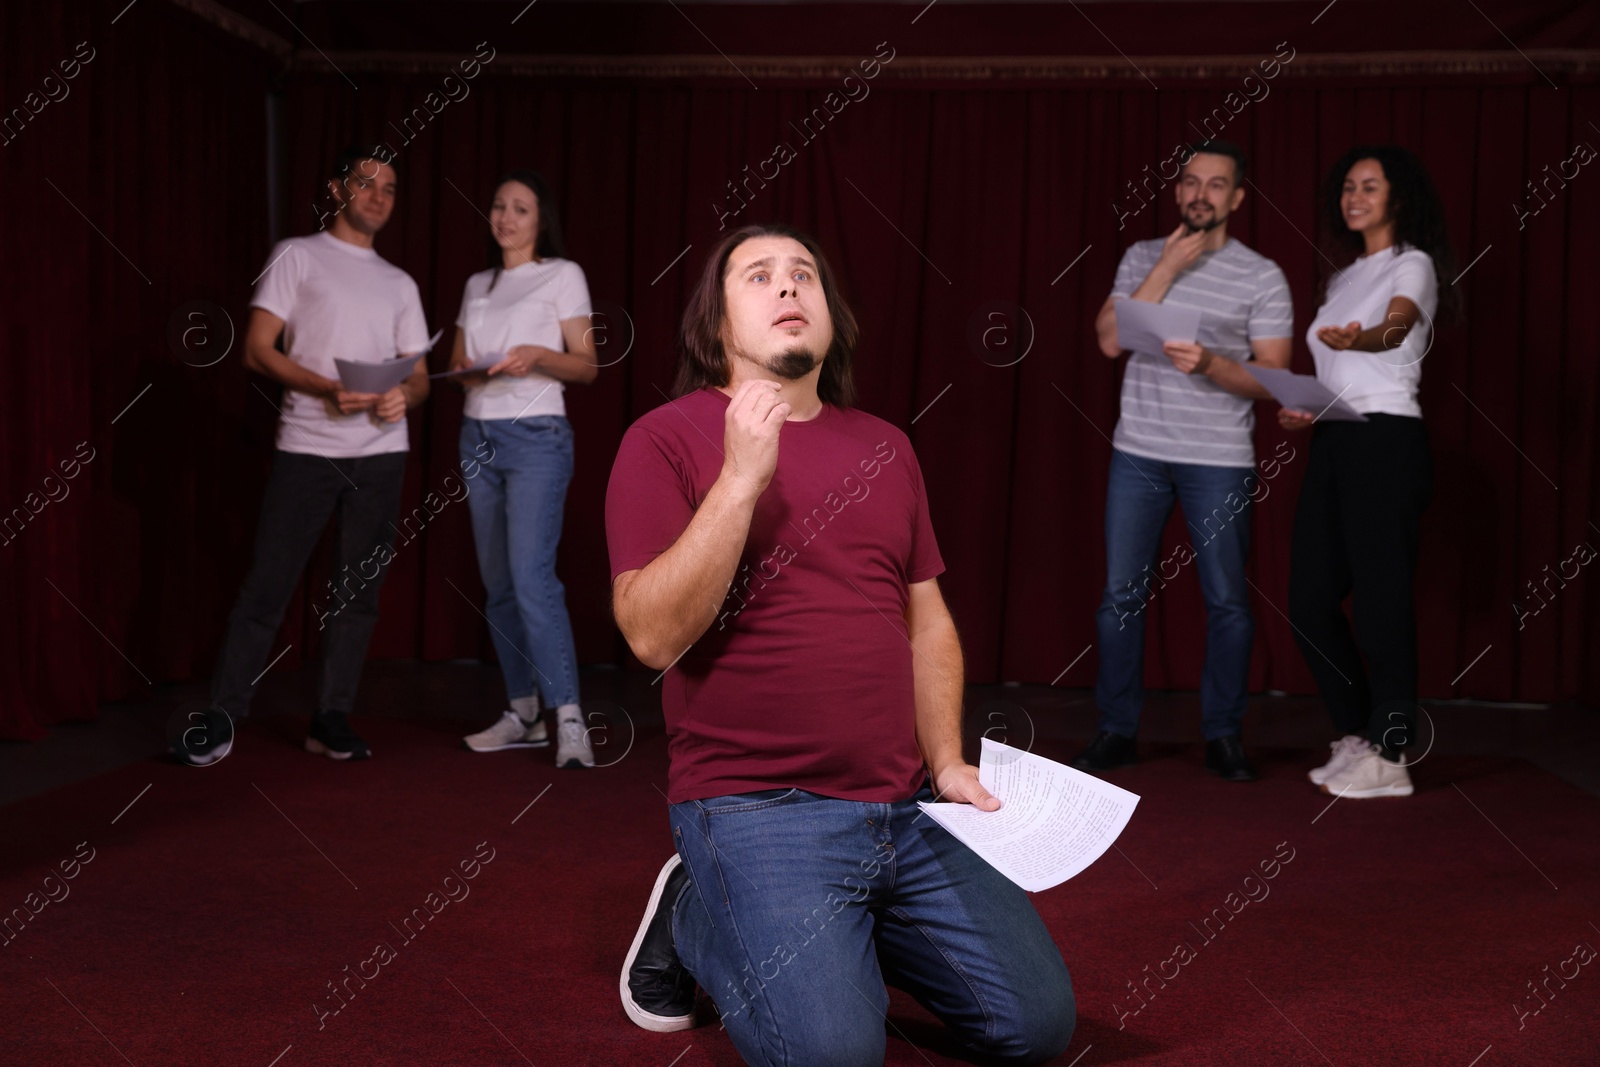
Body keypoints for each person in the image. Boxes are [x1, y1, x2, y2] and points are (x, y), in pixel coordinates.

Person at [608, 224, 1074, 1065]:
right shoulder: (665, 438)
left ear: (832, 317)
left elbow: (925, 618)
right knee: (834, 1057)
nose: (789, 288)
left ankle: (829, 925)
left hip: (902, 810)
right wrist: (742, 478)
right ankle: (697, 910)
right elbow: (649, 634)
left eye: (805, 276)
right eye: (759, 276)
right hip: (756, 809)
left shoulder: (886, 447)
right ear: (716, 327)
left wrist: (947, 763)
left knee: (1036, 1026)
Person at [185, 145, 431, 765]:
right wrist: (327, 387)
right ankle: (221, 717)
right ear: (336, 189)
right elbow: (257, 349)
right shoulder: (297, 256)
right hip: (308, 448)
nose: (378, 196)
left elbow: (421, 378)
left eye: (390, 188)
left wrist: (402, 396)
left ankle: (331, 718)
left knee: (359, 592)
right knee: (269, 584)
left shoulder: (400, 282)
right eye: (367, 183)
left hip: (381, 453)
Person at [1072, 140, 1294, 782]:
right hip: (1139, 450)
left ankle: (1224, 734)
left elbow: (1276, 377)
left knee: (1227, 600)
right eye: (1191, 182)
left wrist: (1216, 365)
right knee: (1120, 597)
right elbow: (1110, 340)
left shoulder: (1262, 274)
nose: (1201, 193)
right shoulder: (1144, 257)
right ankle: (1117, 730)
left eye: (1216, 184)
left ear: (1238, 198)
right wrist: (1166, 267)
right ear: (1176, 193)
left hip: (1218, 459)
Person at [1281, 145, 1455, 799]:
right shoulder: (1342, 276)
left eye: (1371, 186)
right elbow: (1339, 373)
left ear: (1398, 197)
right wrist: (1309, 408)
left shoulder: (1413, 263)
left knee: (1382, 599)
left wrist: (1360, 339)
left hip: (1387, 439)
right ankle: (1359, 734)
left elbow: (1396, 329)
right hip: (1336, 437)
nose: (1355, 196)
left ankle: (1392, 751)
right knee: (1308, 599)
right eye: (1348, 186)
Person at [451, 170, 599, 769]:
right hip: (477, 434)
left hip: (537, 437)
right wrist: (473, 369)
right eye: (499, 205)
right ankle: (524, 712)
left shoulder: (561, 275)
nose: (507, 217)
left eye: (521, 209)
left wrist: (540, 357)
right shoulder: (476, 284)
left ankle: (569, 718)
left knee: (532, 579)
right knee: (499, 585)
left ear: (541, 222)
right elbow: (458, 366)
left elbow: (587, 367)